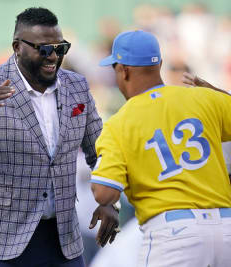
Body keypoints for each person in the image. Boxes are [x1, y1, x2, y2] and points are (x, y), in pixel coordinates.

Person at [0, 7, 118, 267]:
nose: (54, 57)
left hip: (62, 234)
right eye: (45, 49)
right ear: (17, 47)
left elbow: (100, 151)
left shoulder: (77, 86)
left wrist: (110, 200)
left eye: (61, 48)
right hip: (1, 237)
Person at [90, 30, 231, 267]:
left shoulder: (119, 123)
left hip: (174, 235)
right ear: (160, 64)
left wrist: (110, 203)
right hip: (227, 228)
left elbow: (104, 192)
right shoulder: (205, 99)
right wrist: (220, 95)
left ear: (123, 70)